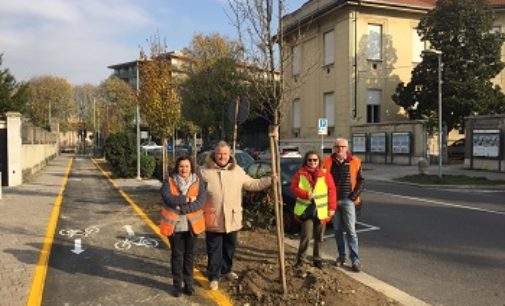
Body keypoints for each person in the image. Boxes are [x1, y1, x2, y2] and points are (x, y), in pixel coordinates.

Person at [200, 141, 273, 291]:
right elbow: (194, 191)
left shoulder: (237, 171)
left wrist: (269, 180)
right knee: (214, 249)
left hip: (232, 218)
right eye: (219, 153)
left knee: (229, 247)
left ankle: (226, 270)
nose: (222, 156)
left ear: (230, 155)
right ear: (214, 154)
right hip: (213, 217)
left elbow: (252, 184)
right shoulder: (203, 172)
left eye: (225, 154)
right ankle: (213, 276)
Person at [160, 156, 207, 297]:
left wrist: (183, 209)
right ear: (177, 167)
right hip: (174, 226)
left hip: (192, 227)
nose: (184, 169)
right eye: (181, 166)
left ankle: (189, 285)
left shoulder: (199, 182)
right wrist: (186, 199)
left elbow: (200, 202)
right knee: (177, 256)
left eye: (187, 166)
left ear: (191, 167)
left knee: (189, 256)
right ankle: (177, 285)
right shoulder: (169, 181)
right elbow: (167, 198)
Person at [323, 138, 365, 272]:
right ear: (334, 148)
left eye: (342, 146)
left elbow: (361, 181)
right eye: (337, 146)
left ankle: (355, 260)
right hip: (333, 201)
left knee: (351, 231)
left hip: (348, 200)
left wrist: (353, 196)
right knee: (337, 230)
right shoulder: (327, 162)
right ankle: (341, 256)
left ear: (347, 148)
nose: (340, 149)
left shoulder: (355, 161)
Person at [291, 151, 336, 269]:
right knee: (305, 236)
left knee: (319, 237)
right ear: (306, 161)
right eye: (310, 160)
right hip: (306, 210)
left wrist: (332, 208)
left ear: (319, 161)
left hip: (321, 210)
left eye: (315, 160)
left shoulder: (325, 174)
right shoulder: (300, 173)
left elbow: (332, 191)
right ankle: (300, 260)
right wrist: (306, 194)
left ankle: (317, 259)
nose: (312, 162)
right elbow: (294, 188)